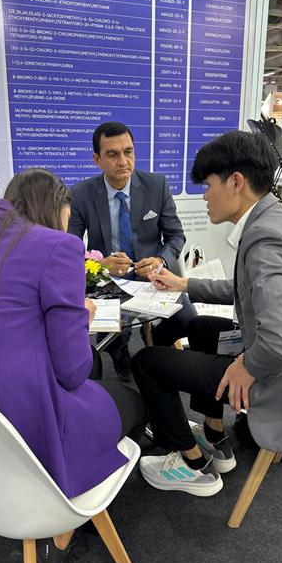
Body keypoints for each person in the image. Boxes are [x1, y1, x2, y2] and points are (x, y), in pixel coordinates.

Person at [132, 131, 282, 497]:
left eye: (208, 185)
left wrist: (247, 367)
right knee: (202, 327)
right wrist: (183, 284)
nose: (205, 196)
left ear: (236, 182)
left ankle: (192, 465)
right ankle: (215, 434)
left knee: (147, 362)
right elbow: (249, 290)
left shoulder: (265, 238)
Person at [0, 169, 146, 498]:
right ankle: (85, 502)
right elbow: (72, 372)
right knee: (134, 403)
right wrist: (81, 318)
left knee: (92, 374)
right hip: (22, 431)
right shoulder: (58, 245)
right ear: (56, 209)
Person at [68, 121, 192, 379]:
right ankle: (121, 356)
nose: (123, 161)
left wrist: (160, 260)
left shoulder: (156, 186)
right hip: (108, 282)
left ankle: (156, 343)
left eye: (128, 152)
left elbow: (175, 236)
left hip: (153, 277)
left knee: (187, 318)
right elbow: (68, 248)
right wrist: (101, 265)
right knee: (113, 334)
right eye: (113, 154)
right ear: (97, 159)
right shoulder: (81, 194)